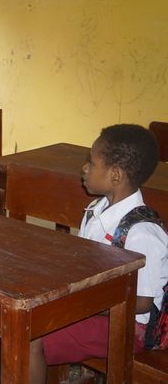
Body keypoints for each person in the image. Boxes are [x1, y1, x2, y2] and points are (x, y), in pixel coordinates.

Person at [29, 124, 168, 383]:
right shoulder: (96, 210)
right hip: (97, 307)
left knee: (29, 337)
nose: (84, 168)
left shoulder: (142, 233)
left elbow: (141, 303)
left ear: (115, 175)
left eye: (91, 163)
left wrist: (83, 305)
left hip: (128, 326)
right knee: (22, 318)